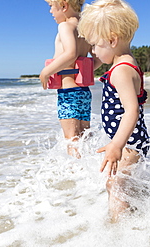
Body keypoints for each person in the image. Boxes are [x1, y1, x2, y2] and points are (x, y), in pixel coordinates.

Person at [78, 0, 150, 222]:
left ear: (112, 40)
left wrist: (117, 145)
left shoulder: (121, 71)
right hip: (131, 141)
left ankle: (120, 230)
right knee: (124, 183)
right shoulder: (124, 63)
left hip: (129, 144)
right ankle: (136, 213)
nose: (93, 51)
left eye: (94, 45)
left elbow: (132, 111)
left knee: (115, 184)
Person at [39, 0, 93, 158]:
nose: (50, 12)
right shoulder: (85, 29)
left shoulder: (65, 26)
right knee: (83, 138)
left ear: (63, 6)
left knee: (71, 140)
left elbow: (71, 53)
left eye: (51, 7)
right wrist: (82, 71)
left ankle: (75, 176)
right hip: (83, 92)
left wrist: (46, 72)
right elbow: (97, 59)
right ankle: (88, 172)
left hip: (69, 92)